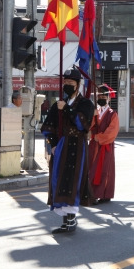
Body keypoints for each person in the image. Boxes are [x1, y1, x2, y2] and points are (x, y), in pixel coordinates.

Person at [40, 68, 94, 234]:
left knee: (73, 181)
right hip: (61, 146)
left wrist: (67, 109)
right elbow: (48, 127)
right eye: (66, 83)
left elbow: (82, 124)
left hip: (77, 147)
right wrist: (54, 144)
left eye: (71, 83)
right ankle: (65, 220)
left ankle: (71, 219)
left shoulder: (86, 104)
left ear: (77, 85)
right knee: (58, 181)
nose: (67, 85)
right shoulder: (57, 105)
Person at [88, 85, 120, 205]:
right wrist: (93, 115)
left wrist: (99, 137)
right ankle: (93, 194)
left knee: (104, 170)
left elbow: (112, 131)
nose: (101, 98)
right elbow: (89, 126)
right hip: (94, 146)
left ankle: (103, 194)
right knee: (92, 169)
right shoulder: (96, 111)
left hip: (105, 146)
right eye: (99, 96)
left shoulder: (113, 114)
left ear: (108, 98)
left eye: (103, 96)